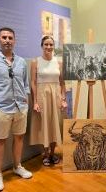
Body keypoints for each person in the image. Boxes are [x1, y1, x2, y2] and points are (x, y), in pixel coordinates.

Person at [0, 27, 32, 191]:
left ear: (14, 40)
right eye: (4, 37)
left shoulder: (21, 62)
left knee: (19, 138)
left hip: (20, 108)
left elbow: (26, 84)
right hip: (2, 109)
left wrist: (26, 103)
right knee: (0, 141)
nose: (7, 40)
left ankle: (17, 166)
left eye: (10, 37)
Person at [29, 36, 67, 166]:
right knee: (44, 124)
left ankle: (52, 153)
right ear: (42, 46)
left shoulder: (59, 62)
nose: (49, 47)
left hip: (55, 95)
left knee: (54, 123)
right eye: (46, 44)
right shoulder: (35, 62)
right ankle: (45, 154)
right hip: (42, 95)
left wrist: (63, 98)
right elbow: (33, 82)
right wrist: (34, 101)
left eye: (51, 44)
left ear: (54, 46)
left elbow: (62, 82)